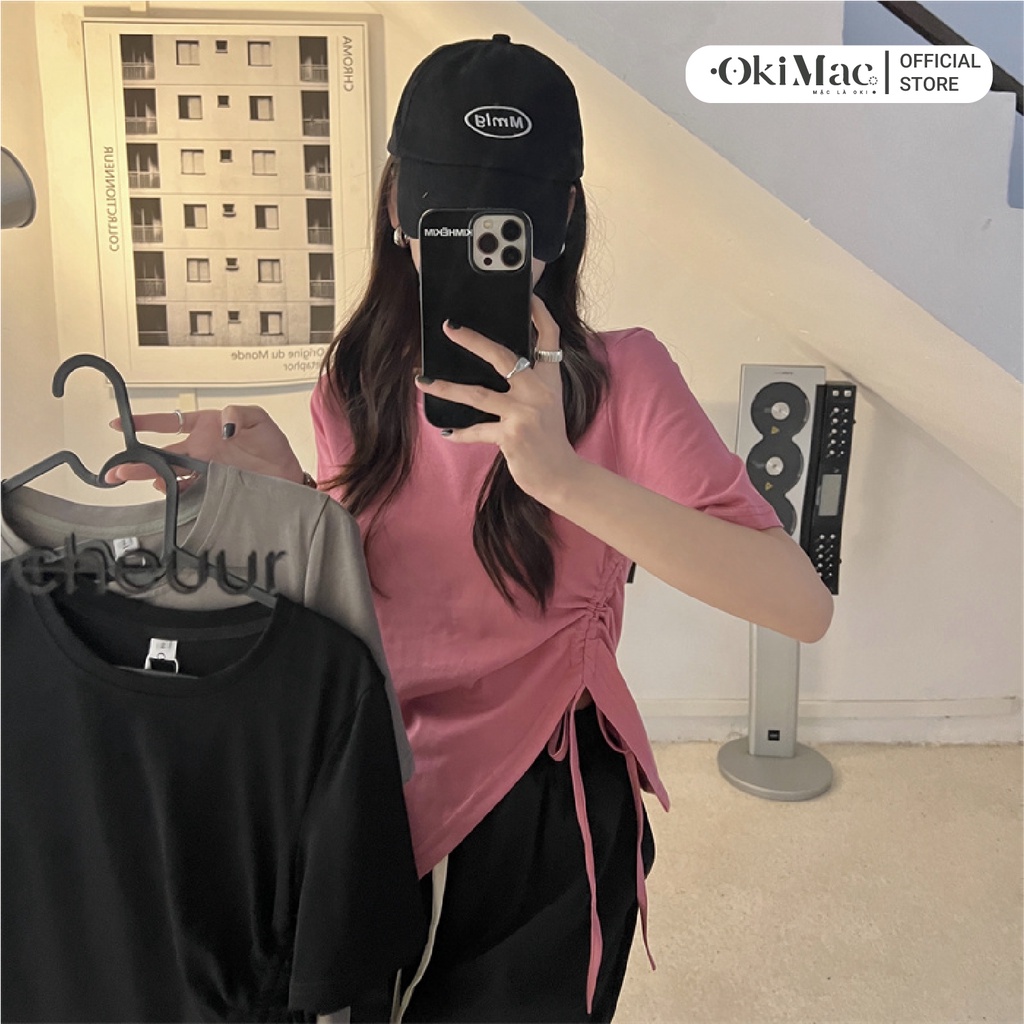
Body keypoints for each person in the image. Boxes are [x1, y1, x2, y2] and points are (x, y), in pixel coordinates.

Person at [110, 34, 833, 1023]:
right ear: (399, 210)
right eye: (454, 222)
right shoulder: (355, 379)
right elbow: (373, 590)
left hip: (538, 802)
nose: (488, 251)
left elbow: (798, 604)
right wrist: (289, 497)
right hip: (367, 774)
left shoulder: (624, 378)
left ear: (563, 221)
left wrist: (563, 477)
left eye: (513, 225)